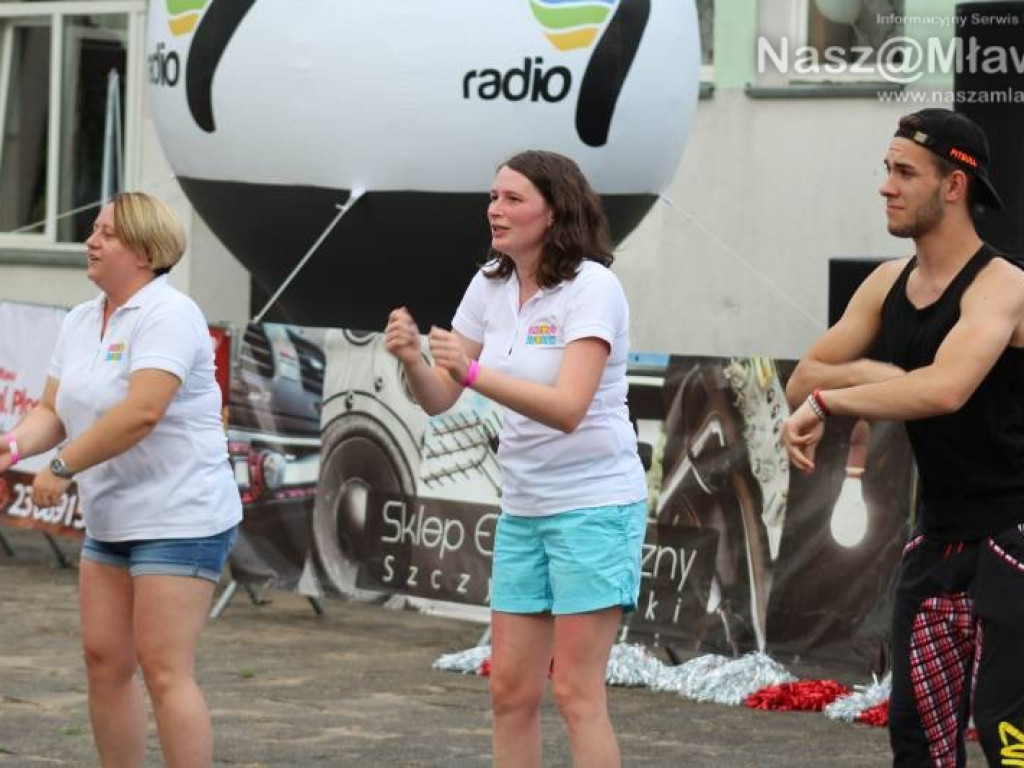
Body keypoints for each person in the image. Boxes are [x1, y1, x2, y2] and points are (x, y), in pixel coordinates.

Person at [384, 150, 647, 768]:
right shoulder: (491, 282)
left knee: (577, 693)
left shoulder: (592, 287)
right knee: (509, 692)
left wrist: (471, 370)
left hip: (594, 505)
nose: (494, 210)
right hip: (524, 507)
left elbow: (567, 407)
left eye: (512, 199)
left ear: (555, 212)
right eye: (493, 197)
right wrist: (415, 360)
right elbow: (441, 398)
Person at [782, 108, 1024, 767]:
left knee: (1011, 736)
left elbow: (945, 389)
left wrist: (835, 397)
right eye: (886, 169)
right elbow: (804, 377)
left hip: (1014, 538)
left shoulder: (1004, 287)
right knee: (917, 743)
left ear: (953, 187)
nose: (885, 185)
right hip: (939, 539)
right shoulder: (887, 283)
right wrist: (870, 374)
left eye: (904, 172)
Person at [0, 192, 242, 768]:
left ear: (143, 251)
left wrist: (61, 466)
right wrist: (10, 447)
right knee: (104, 662)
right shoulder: (84, 318)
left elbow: (143, 412)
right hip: (114, 514)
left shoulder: (170, 314)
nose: (91, 240)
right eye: (93, 229)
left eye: (106, 233)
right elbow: (53, 410)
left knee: (164, 670)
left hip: (181, 514)